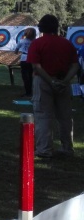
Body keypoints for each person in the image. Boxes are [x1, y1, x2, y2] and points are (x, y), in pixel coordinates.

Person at [27, 14, 79, 158]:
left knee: (43, 116)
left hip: (44, 81)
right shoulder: (67, 43)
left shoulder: (37, 43)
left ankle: (44, 149)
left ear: (41, 27)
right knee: (65, 117)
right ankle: (67, 148)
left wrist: (51, 81)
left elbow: (36, 67)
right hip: (63, 82)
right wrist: (65, 81)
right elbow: (75, 66)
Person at [15, 27, 36, 97]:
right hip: (32, 59)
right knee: (31, 76)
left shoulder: (22, 41)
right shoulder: (35, 41)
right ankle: (31, 92)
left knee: (25, 77)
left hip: (24, 59)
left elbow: (16, 51)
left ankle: (28, 92)